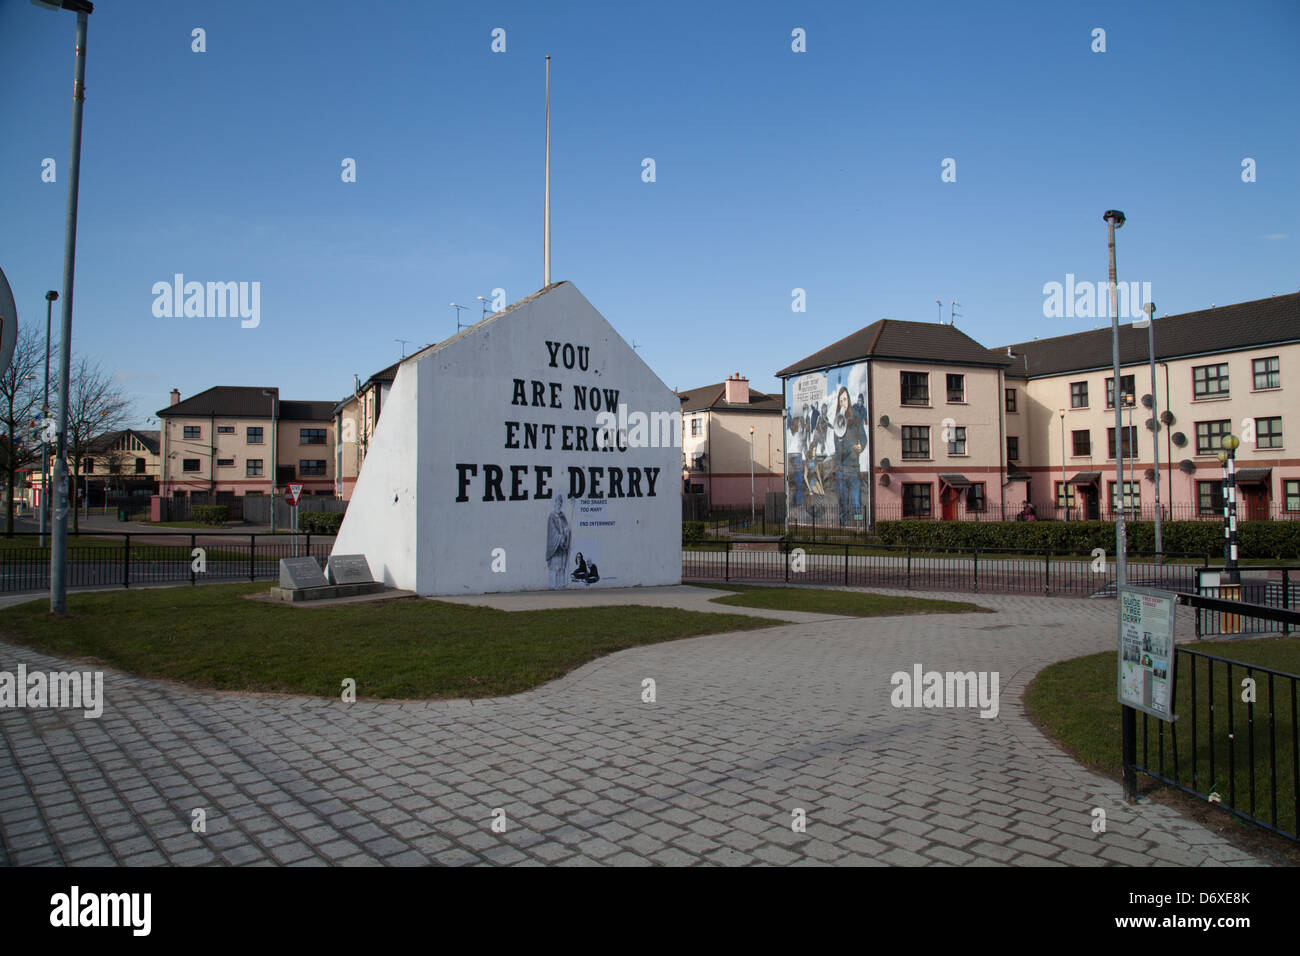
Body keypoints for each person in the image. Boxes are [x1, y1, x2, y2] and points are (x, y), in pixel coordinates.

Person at [831, 386, 865, 527]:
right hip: (840, 469)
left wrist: (860, 446)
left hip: (853, 468)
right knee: (843, 500)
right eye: (841, 400)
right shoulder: (837, 420)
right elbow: (836, 444)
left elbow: (863, 437)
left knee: (856, 500)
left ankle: (858, 522)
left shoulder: (856, 416)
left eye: (845, 399)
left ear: (849, 400)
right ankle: (843, 524)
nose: (843, 402)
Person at [546, 494, 571, 588]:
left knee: (562, 568)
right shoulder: (551, 517)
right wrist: (560, 536)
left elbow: (565, 528)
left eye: (560, 504)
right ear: (554, 504)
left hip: (562, 547)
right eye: (557, 503)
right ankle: (554, 585)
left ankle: (561, 585)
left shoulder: (563, 516)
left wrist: (567, 531)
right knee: (555, 568)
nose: (559, 505)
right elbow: (552, 533)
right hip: (555, 548)